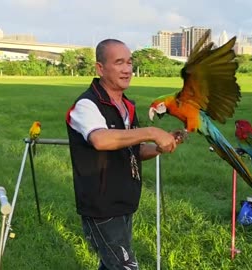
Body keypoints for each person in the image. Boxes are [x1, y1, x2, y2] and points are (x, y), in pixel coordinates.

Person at [65, 38, 182, 270]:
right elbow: (100, 139)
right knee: (125, 266)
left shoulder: (126, 106)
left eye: (129, 62)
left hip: (125, 202)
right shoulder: (86, 106)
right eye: (119, 62)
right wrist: (151, 131)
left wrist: (158, 146)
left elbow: (134, 150)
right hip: (101, 207)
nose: (127, 69)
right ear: (100, 68)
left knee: (111, 265)